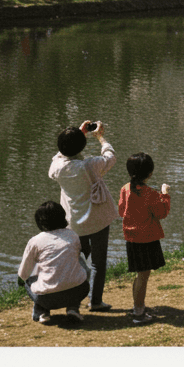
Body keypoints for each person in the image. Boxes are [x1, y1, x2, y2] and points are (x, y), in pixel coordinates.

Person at [48, 120, 119, 312]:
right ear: (82, 147)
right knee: (98, 263)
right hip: (97, 221)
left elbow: (60, 155)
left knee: (74, 263)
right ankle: (95, 301)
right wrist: (100, 137)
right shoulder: (91, 165)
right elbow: (110, 157)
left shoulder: (58, 168)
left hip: (73, 223)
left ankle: (73, 304)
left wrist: (79, 136)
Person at [118, 152, 171, 324]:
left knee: (140, 274)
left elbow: (121, 211)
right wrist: (165, 195)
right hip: (146, 238)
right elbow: (162, 213)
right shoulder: (150, 193)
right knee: (143, 276)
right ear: (150, 173)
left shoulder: (125, 189)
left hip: (131, 238)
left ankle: (137, 306)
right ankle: (139, 313)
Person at [17, 201, 90, 324]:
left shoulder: (36, 241)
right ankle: (73, 309)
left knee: (29, 280)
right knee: (78, 265)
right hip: (79, 291)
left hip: (47, 298)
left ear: (40, 221)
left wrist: (22, 280)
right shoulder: (73, 235)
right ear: (63, 217)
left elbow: (23, 274)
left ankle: (41, 312)